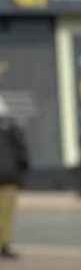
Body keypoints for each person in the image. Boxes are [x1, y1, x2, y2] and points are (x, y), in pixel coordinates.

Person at [0, 94, 29, 260]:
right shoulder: (11, 125)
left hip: (7, 174)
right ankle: (4, 245)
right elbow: (22, 150)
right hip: (9, 175)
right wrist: (22, 171)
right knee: (5, 212)